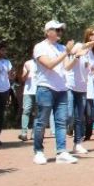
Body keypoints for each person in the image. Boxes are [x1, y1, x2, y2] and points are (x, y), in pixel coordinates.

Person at [32, 20, 78, 165]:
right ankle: (38, 151)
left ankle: (61, 152)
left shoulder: (61, 48)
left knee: (61, 122)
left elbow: (67, 67)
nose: (59, 33)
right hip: (45, 88)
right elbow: (50, 65)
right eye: (56, 30)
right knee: (42, 121)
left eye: (61, 30)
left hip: (61, 89)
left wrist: (77, 56)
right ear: (47, 32)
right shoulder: (40, 47)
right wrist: (66, 52)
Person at [67, 29, 94, 155]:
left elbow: (91, 70)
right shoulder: (80, 45)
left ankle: (77, 143)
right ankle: (68, 130)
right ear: (88, 36)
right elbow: (73, 52)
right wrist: (90, 45)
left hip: (83, 88)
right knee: (69, 114)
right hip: (70, 85)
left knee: (80, 118)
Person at [19, 58, 38, 141]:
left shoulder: (44, 62)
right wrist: (28, 71)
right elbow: (23, 79)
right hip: (28, 91)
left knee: (38, 113)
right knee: (26, 111)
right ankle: (24, 133)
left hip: (40, 91)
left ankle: (35, 134)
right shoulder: (28, 63)